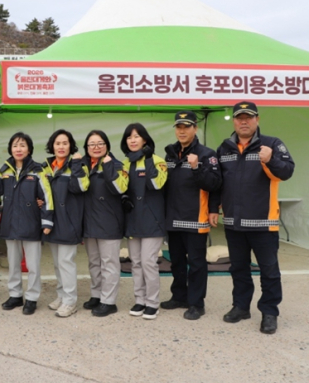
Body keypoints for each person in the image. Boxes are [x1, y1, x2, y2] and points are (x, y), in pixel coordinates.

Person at [210, 101, 294, 334]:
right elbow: (217, 182)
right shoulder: (224, 148)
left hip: (263, 223)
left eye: (248, 117)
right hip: (234, 223)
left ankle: (269, 312)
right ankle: (241, 306)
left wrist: (271, 159)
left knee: (269, 271)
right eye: (239, 118)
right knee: (238, 268)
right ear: (234, 121)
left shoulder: (272, 144)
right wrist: (213, 208)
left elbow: (287, 171)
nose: (244, 121)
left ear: (257, 119)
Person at [161, 111, 222, 320]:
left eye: (186, 127)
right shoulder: (170, 153)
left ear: (195, 128)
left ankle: (196, 303)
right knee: (176, 261)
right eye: (179, 127)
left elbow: (214, 184)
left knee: (196, 263)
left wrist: (196, 168)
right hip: (173, 217)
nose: (182, 131)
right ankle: (179, 296)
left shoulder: (207, 154)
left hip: (196, 218)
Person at [0, 132, 54, 315]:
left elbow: (47, 196)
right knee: (13, 263)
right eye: (15, 145)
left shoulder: (38, 170)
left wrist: (47, 221)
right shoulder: (5, 170)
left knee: (33, 265)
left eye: (23, 145)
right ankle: (15, 295)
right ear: (10, 149)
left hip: (31, 223)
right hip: (10, 223)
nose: (19, 149)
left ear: (29, 149)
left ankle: (32, 298)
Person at [121, 123, 167, 320]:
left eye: (136, 136)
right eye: (129, 137)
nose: (132, 140)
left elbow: (156, 184)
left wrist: (147, 159)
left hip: (152, 220)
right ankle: (140, 300)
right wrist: (124, 198)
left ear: (145, 139)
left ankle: (152, 303)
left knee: (149, 262)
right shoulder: (125, 163)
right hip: (133, 219)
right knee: (136, 263)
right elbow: (121, 187)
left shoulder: (157, 161)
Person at [42, 129, 89, 318]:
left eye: (65, 143)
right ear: (52, 146)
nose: (61, 146)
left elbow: (81, 187)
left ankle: (70, 301)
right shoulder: (47, 167)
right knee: (57, 263)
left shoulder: (79, 165)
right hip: (53, 221)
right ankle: (61, 296)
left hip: (69, 221)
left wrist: (76, 164)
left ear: (71, 146)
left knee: (66, 262)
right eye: (57, 143)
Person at [81, 130, 128, 317]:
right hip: (89, 222)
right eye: (91, 144)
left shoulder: (117, 165)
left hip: (109, 221)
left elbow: (119, 188)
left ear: (107, 145)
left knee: (109, 263)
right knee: (94, 262)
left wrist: (108, 167)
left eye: (100, 143)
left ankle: (109, 301)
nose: (96, 147)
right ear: (86, 147)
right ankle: (96, 295)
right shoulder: (83, 165)